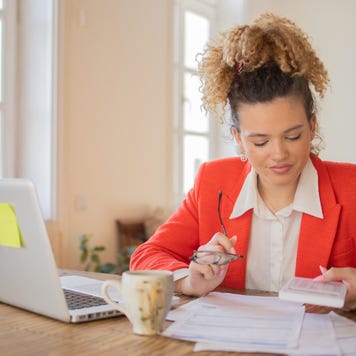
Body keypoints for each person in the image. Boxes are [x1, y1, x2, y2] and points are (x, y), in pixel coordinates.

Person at [130, 13, 356, 298]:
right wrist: (189, 280)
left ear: (312, 127)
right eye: (260, 142)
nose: (279, 154)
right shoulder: (213, 182)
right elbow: (148, 255)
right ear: (238, 139)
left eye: (292, 136)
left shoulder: (351, 186)